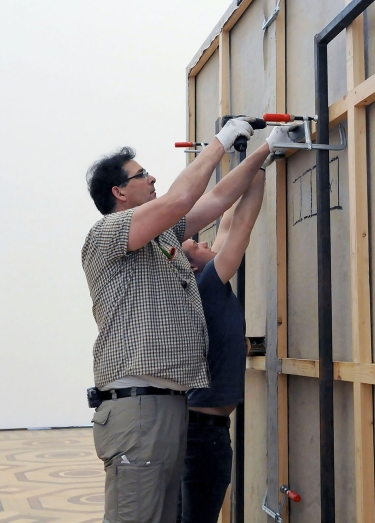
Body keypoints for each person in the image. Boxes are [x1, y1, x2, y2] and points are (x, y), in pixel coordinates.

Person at [81, 118, 270, 523]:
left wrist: (266, 150)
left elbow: (217, 200)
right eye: (141, 175)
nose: (152, 179)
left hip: (170, 404)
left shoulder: (162, 239)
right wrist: (221, 141)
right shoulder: (108, 233)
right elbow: (181, 198)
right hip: (137, 406)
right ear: (118, 192)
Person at [176, 126, 293, 523]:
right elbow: (241, 227)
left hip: (198, 428)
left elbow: (227, 223)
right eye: (197, 245)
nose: (206, 242)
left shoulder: (200, 282)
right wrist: (266, 152)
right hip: (202, 434)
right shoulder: (204, 285)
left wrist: (254, 162)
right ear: (192, 265)